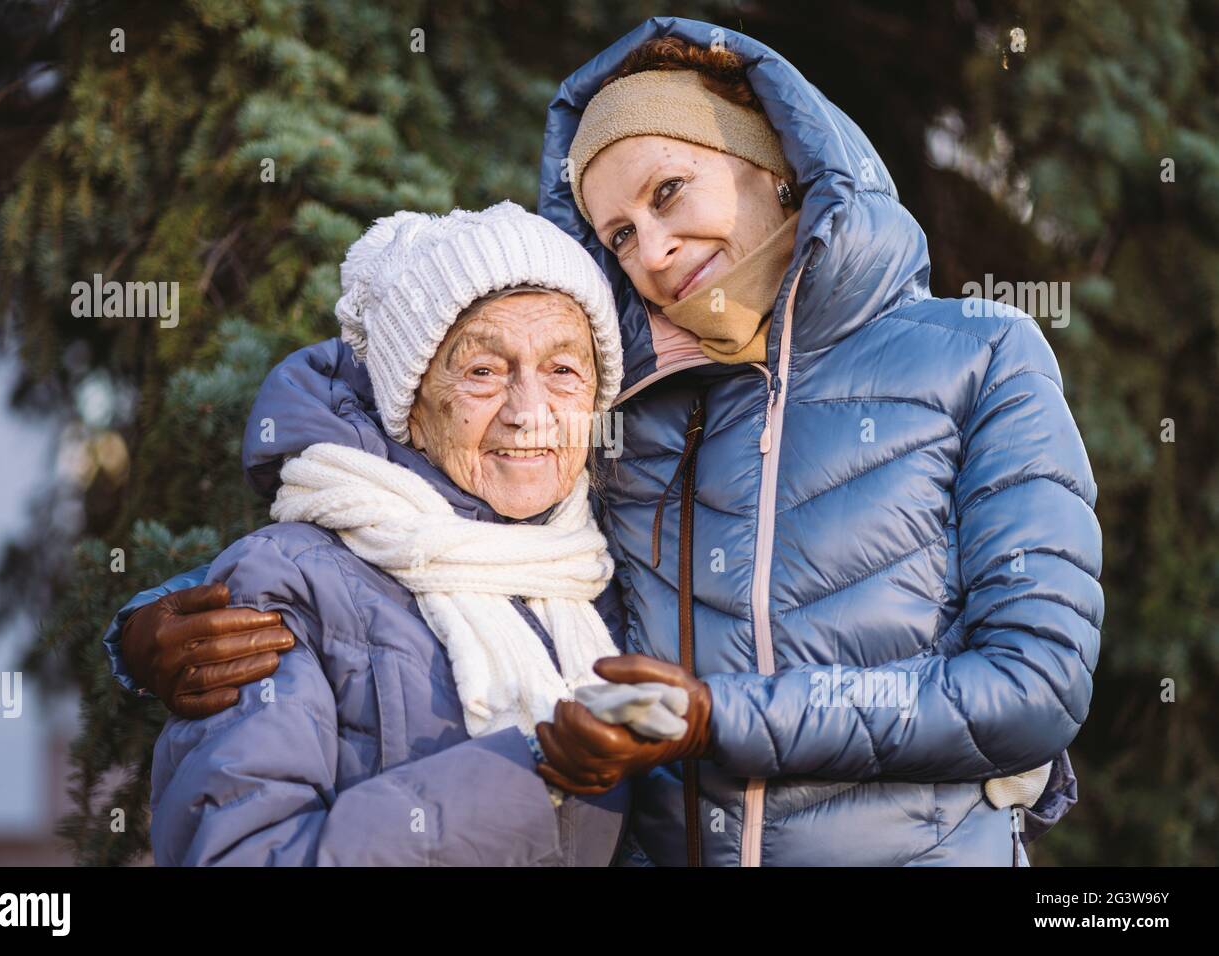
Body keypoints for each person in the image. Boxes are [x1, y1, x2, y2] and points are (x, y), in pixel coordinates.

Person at [107, 18, 1100, 866]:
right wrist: (159, 628)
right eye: (616, 233)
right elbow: (396, 427)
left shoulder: (976, 358)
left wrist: (717, 717)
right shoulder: (629, 391)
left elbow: (1032, 684)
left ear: (779, 168)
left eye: (668, 193)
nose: (651, 250)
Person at [138, 201, 633, 865]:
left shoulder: (602, 574)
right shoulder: (287, 584)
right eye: (484, 371)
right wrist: (528, 775)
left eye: (563, 370)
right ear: (412, 406)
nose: (529, 411)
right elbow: (239, 855)